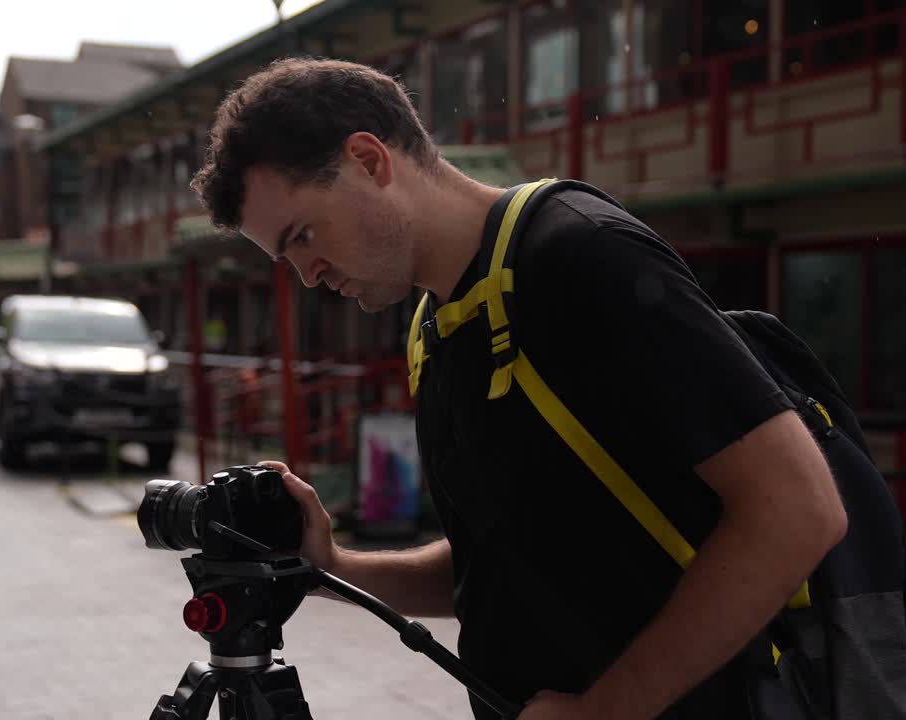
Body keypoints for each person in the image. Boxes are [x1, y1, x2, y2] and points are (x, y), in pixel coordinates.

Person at [190, 59, 850, 719]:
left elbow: (797, 508)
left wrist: (605, 710)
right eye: (286, 258)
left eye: (303, 235)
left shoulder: (579, 257)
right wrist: (330, 566)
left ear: (368, 160)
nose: (308, 276)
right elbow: (502, 568)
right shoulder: (438, 326)